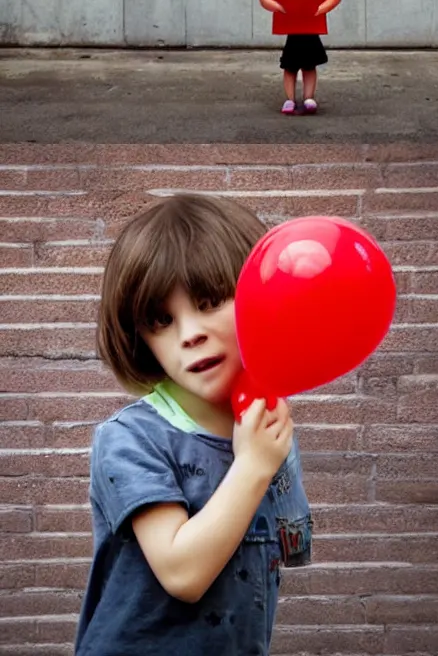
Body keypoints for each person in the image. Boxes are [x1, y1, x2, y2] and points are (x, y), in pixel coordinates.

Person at [74, 194, 311, 655]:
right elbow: (183, 573)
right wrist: (253, 466)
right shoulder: (129, 439)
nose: (190, 333)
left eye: (208, 301)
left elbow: (284, 550)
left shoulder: (263, 427)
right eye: (162, 320)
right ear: (140, 336)